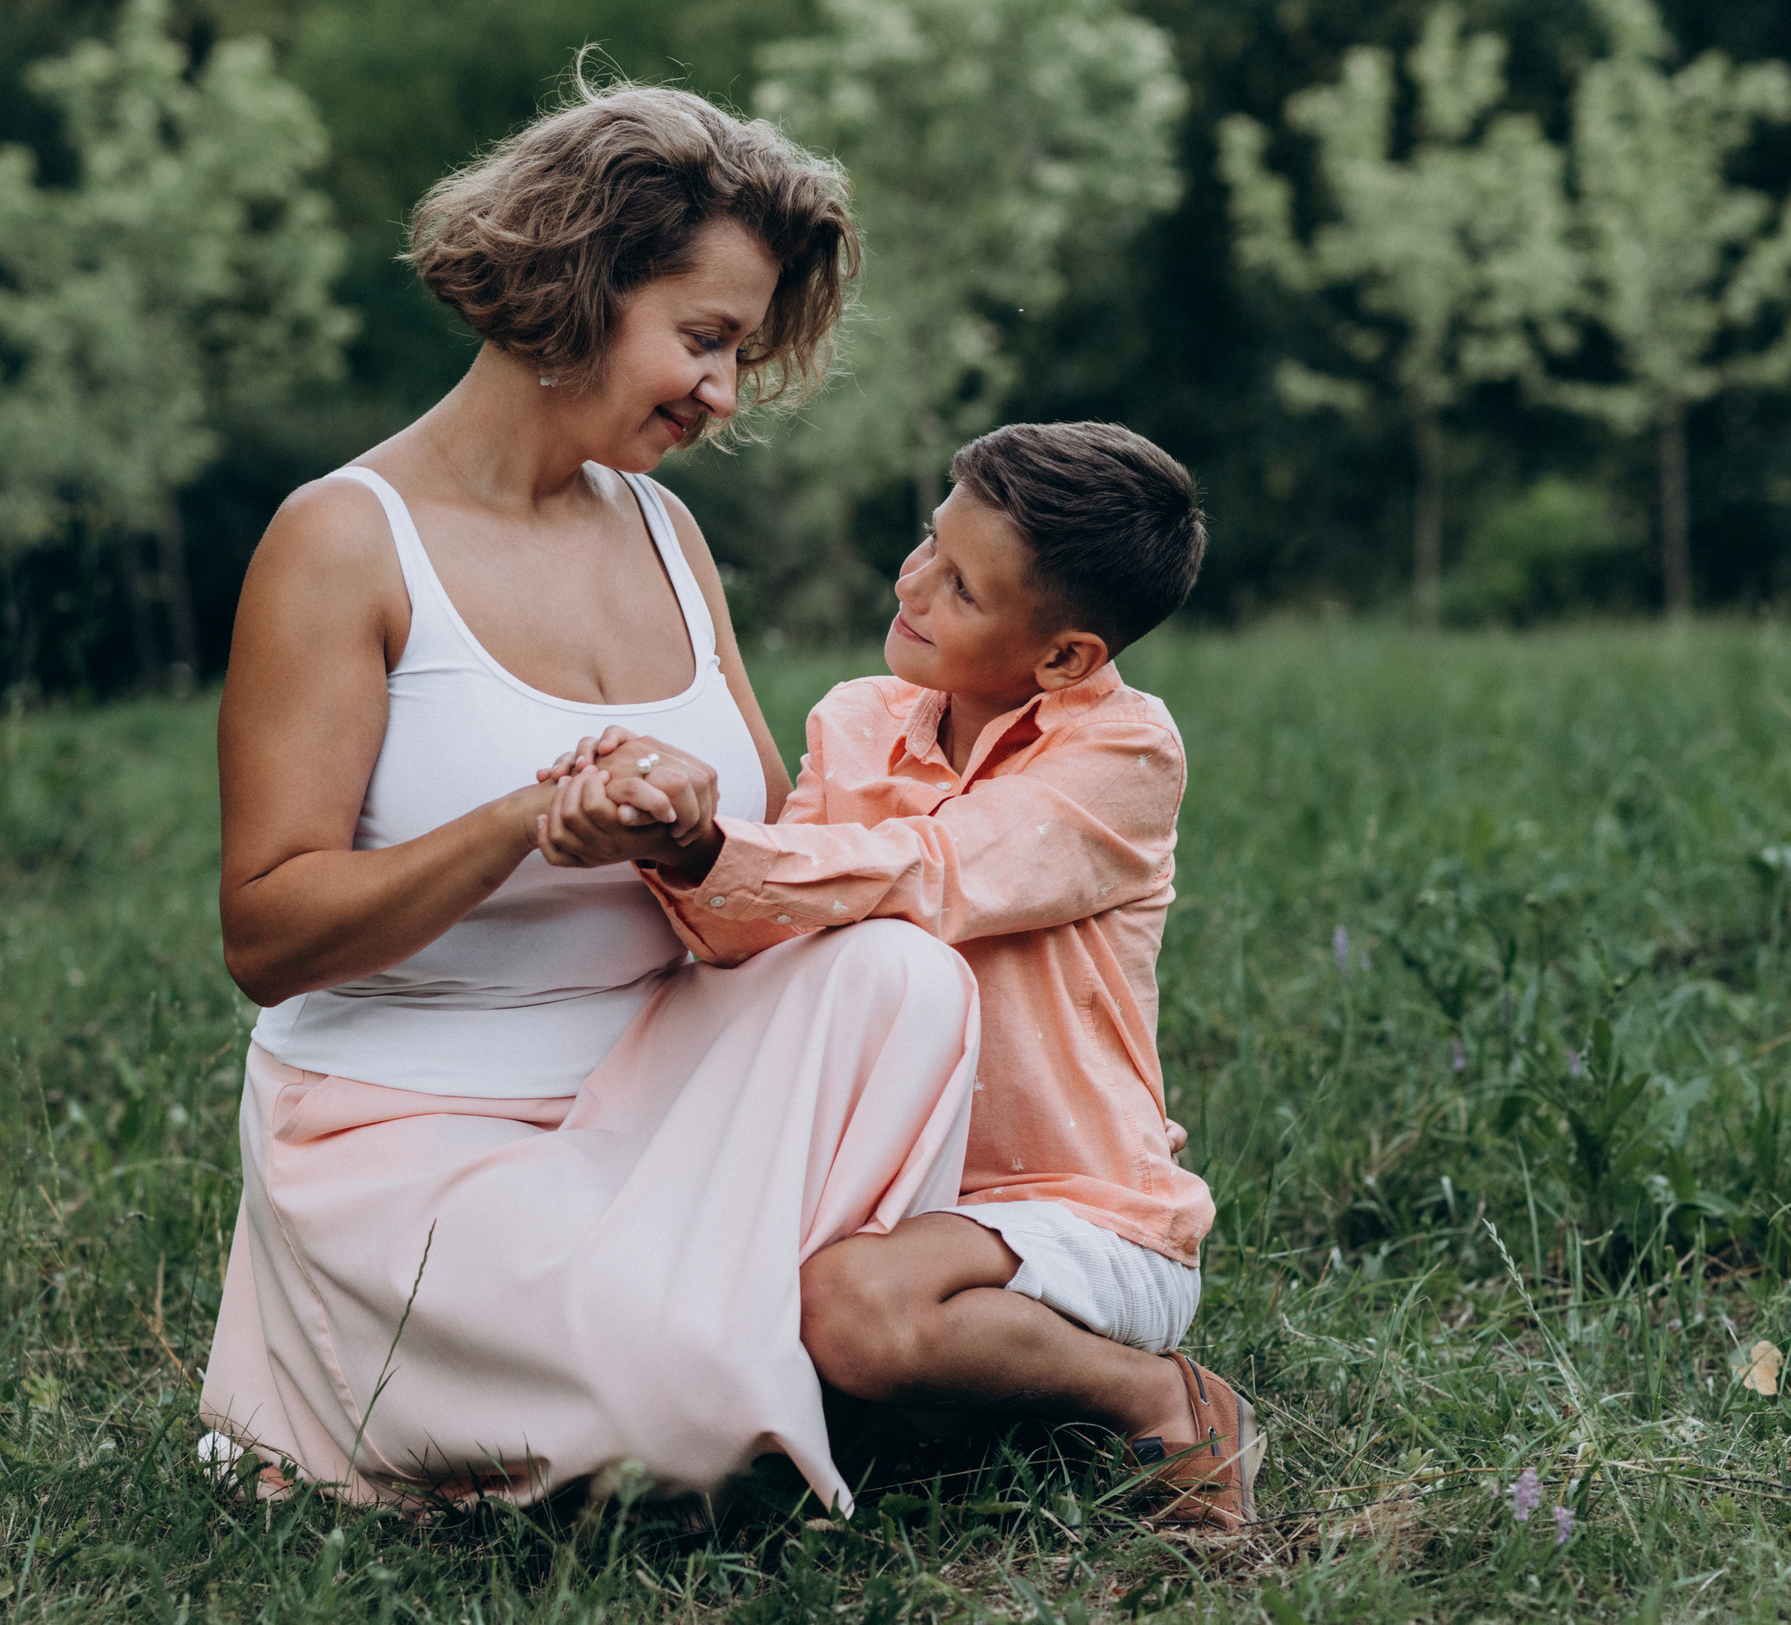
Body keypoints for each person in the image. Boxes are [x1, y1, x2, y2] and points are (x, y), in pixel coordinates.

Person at [196, 79, 980, 1514]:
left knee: (905, 980)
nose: (724, 393)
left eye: (739, 352)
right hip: (412, 1130)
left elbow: (773, 869)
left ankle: (778, 1326)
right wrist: (518, 826)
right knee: (669, 1422)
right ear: (578, 287)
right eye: (702, 340)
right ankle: (741, 1351)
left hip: (659, 1089)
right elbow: (264, 935)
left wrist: (695, 841)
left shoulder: (667, 530)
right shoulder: (343, 542)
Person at [538, 420, 1262, 1526]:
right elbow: (767, 941)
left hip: (1072, 1208)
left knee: (854, 1312)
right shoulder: (857, 722)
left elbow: (936, 875)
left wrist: (712, 851)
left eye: (960, 587)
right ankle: (941, 1424)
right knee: (672, 1327)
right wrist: (664, 818)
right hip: (876, 1188)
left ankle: (1164, 1397)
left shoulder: (1122, 755)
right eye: (928, 542)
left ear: (1064, 656)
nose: (912, 584)